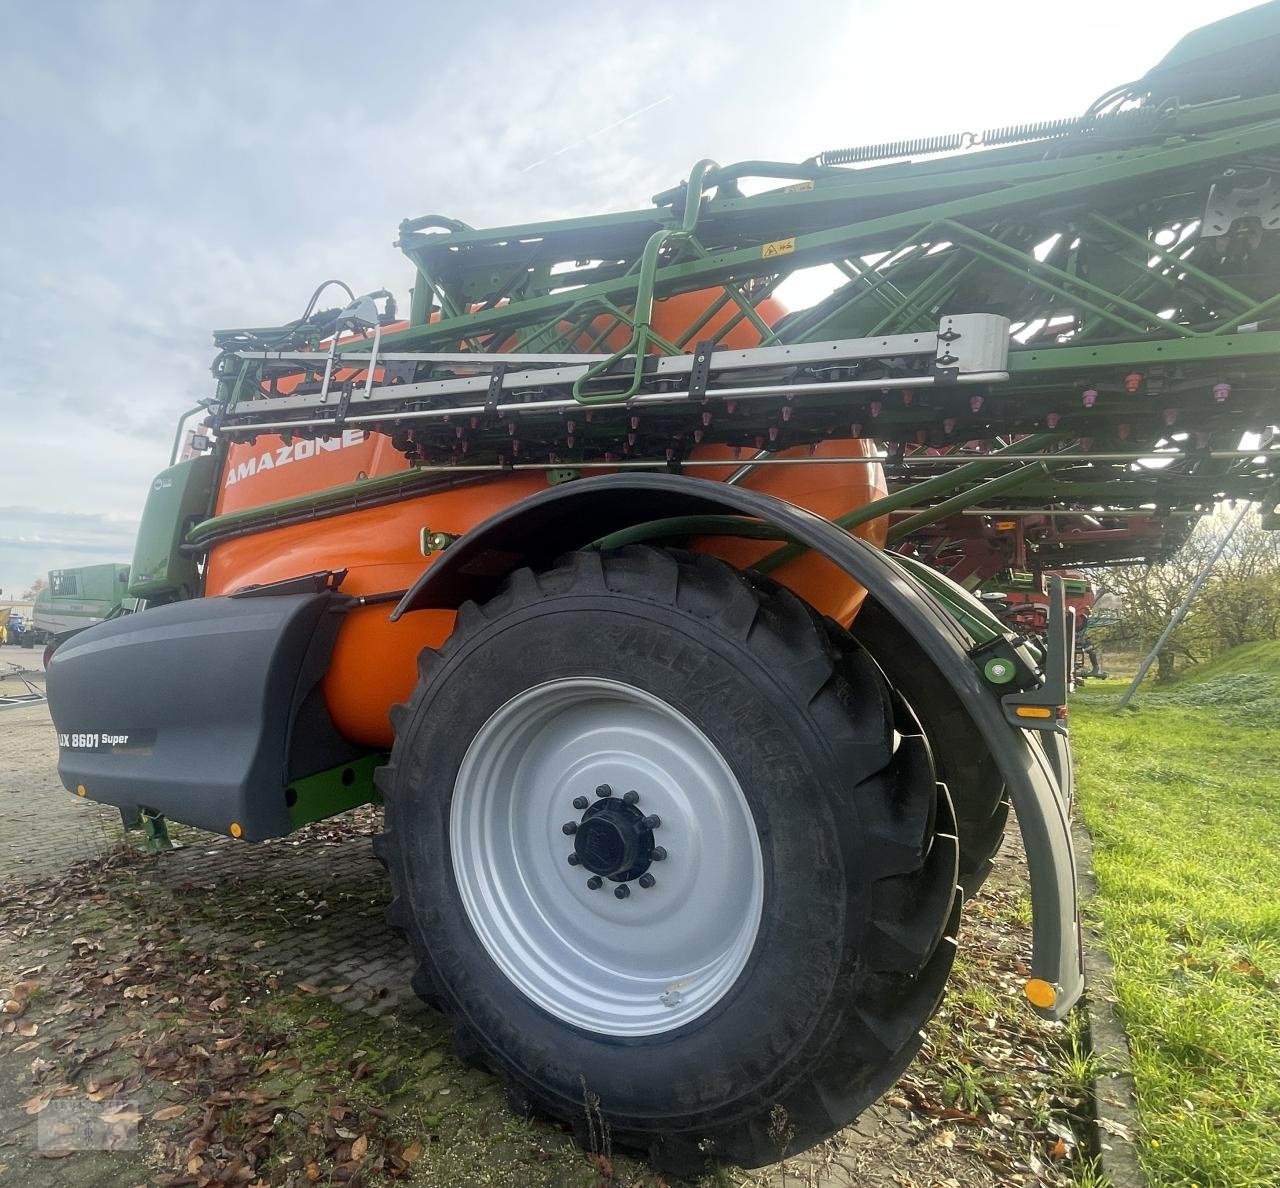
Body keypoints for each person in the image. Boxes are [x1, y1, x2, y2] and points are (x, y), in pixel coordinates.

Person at [1074, 610, 1107, 678]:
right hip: (1071, 640)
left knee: (1090, 649)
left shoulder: (1084, 621)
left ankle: (1095, 667)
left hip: (1080, 640)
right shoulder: (1074, 620)